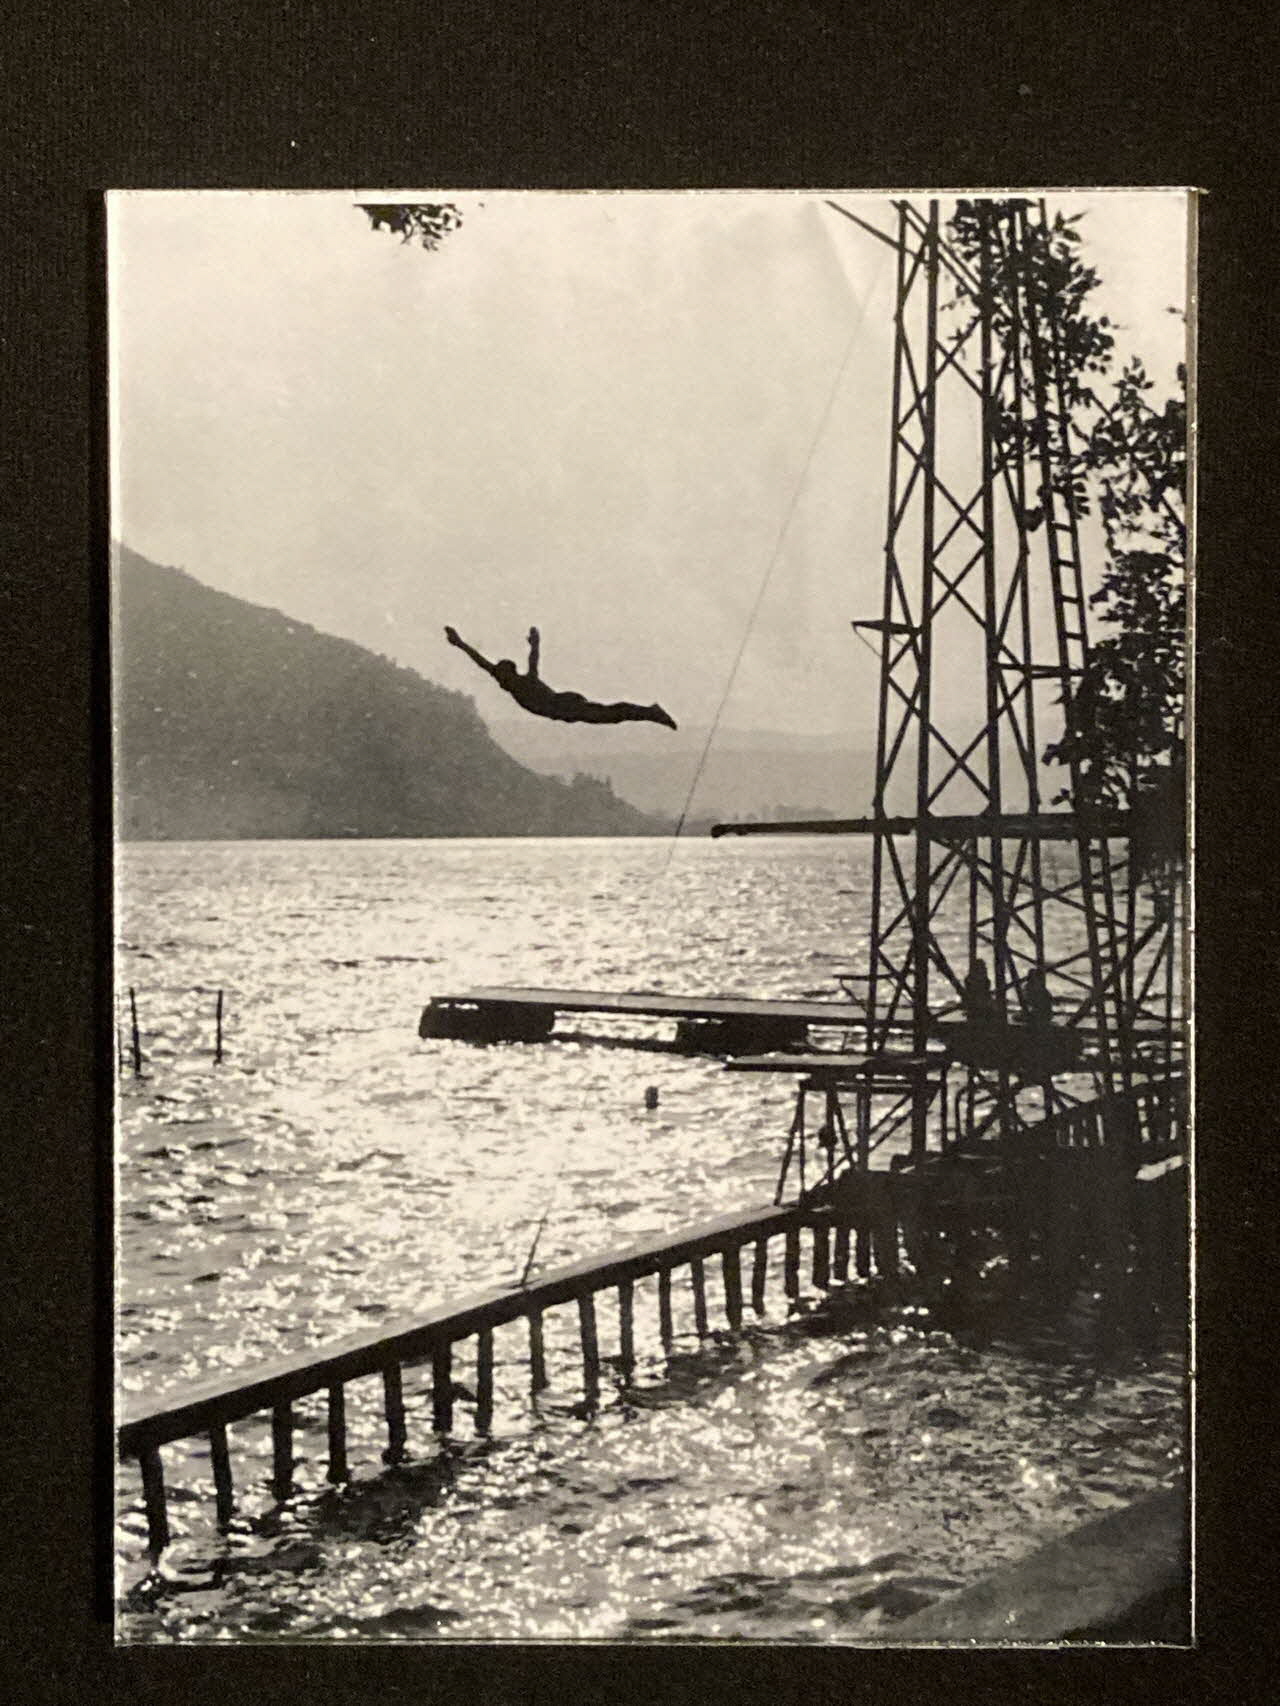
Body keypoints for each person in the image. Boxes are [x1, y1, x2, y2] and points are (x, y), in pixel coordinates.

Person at [445, 625, 678, 729]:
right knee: (611, 713)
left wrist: (460, 644)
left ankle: (651, 712)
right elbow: (487, 662)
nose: (497, 678)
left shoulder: (518, 683)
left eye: (500, 674)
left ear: (507, 673)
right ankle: (650, 712)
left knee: (611, 714)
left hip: (565, 707)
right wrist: (459, 643)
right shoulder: (516, 681)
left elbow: (483, 662)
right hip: (564, 707)